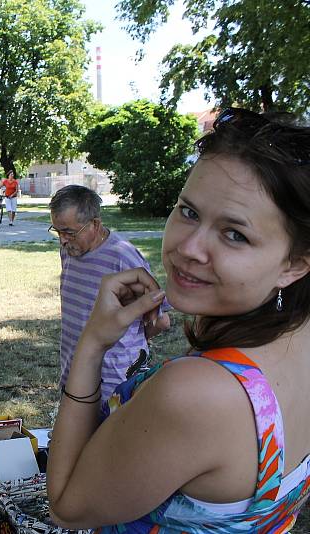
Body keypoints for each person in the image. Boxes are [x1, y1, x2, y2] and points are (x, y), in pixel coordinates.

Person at [47, 108, 310, 532]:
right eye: (189, 212)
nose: (189, 247)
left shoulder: (197, 393)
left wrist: (93, 343)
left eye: (234, 234)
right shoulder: (297, 340)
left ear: (294, 264)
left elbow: (66, 506)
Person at [50, 185, 170, 401]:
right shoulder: (69, 250)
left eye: (69, 232)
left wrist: (121, 344)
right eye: (57, 231)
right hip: (75, 370)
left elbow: (161, 321)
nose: (62, 240)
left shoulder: (124, 257)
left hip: (116, 381)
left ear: (95, 224)